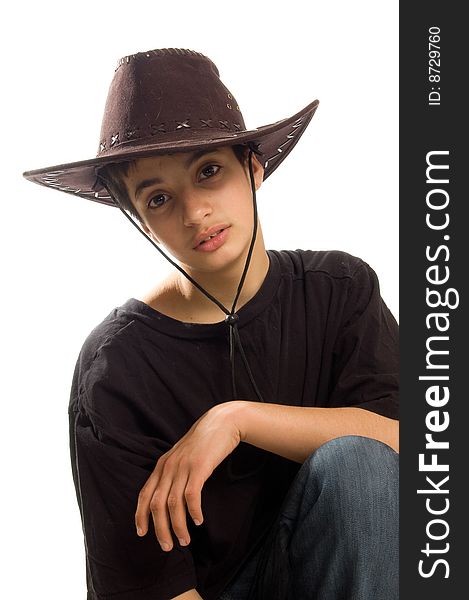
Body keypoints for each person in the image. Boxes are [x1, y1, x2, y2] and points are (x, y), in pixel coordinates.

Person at [23, 48, 399, 600]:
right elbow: (146, 585)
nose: (194, 212)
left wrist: (236, 420)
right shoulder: (117, 369)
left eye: (209, 171)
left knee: (359, 465)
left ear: (253, 167)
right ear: (139, 220)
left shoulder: (339, 289)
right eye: (158, 198)